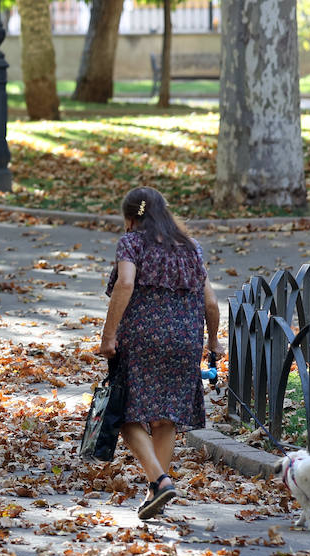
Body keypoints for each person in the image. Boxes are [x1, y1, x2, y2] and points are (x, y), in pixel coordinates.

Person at [97, 186, 224, 521]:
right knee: (165, 416)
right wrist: (213, 343)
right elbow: (211, 303)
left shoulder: (131, 242)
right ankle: (156, 490)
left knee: (124, 413)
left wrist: (108, 337)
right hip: (185, 341)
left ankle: (160, 479)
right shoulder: (191, 248)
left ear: (130, 218)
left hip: (142, 339)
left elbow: (125, 284)